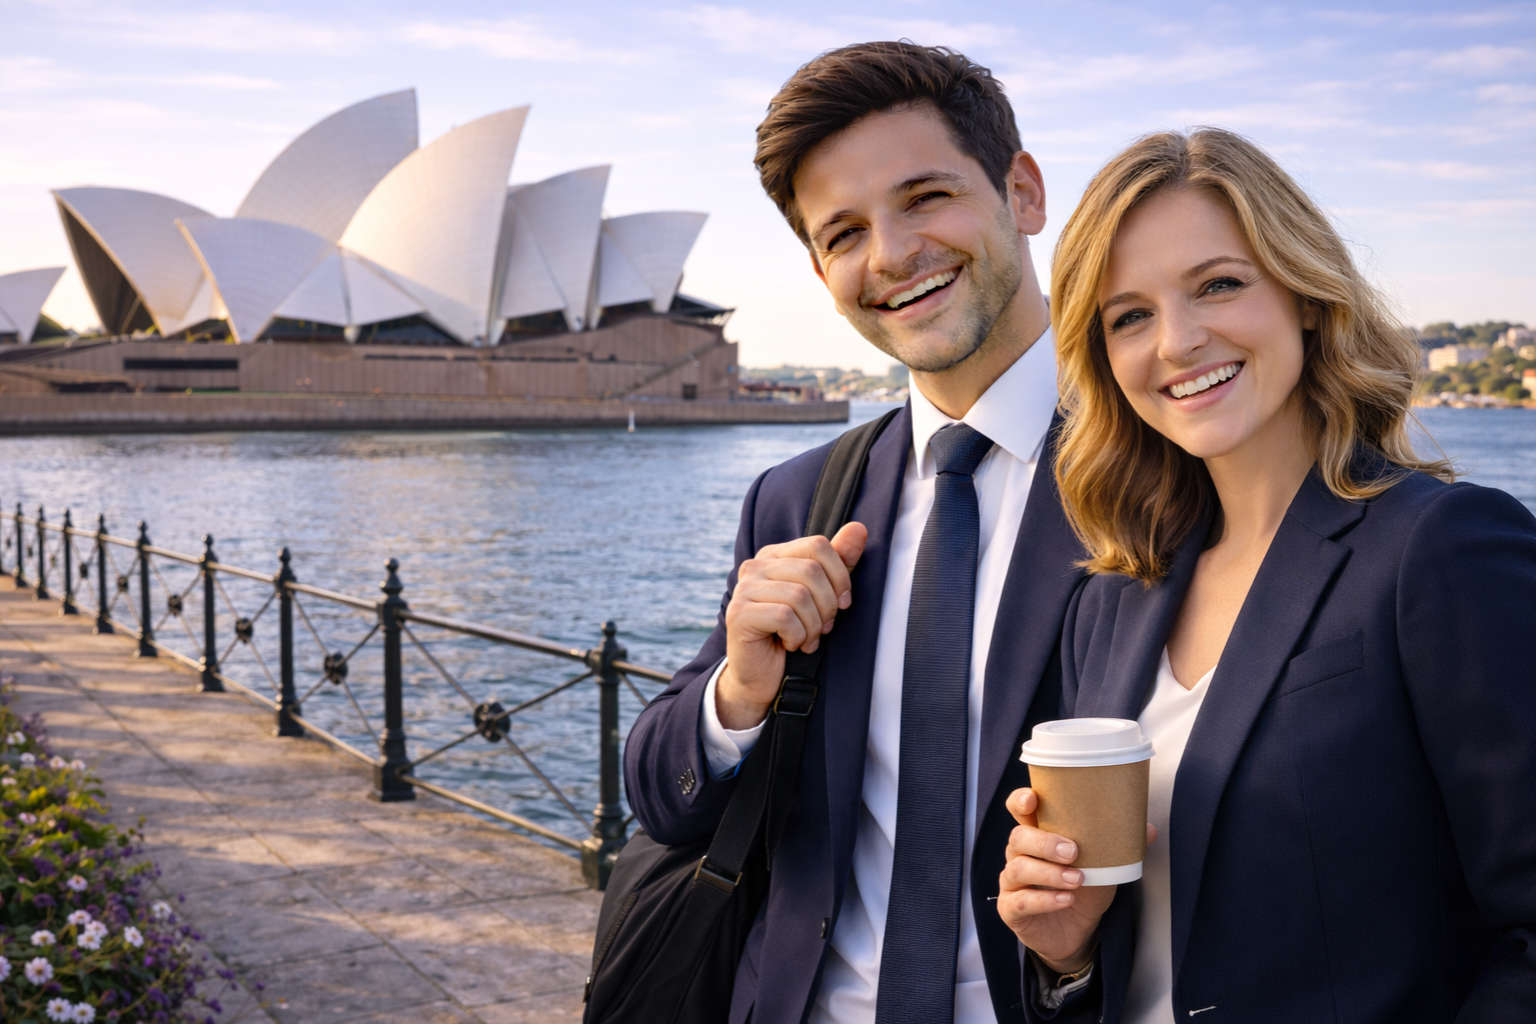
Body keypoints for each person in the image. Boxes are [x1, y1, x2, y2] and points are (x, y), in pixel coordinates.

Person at [997, 127, 1536, 1022]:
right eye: (1129, 315)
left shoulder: (1440, 549)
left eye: (1218, 285)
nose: (1176, 341)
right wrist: (1069, 952)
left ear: (1307, 297)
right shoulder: (1108, 601)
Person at [625, 42, 1086, 1024]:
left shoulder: (1159, 473)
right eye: (844, 232)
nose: (891, 255)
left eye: (925, 196)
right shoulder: (801, 499)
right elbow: (663, 795)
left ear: (1025, 191)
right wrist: (739, 690)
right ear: (820, 267)